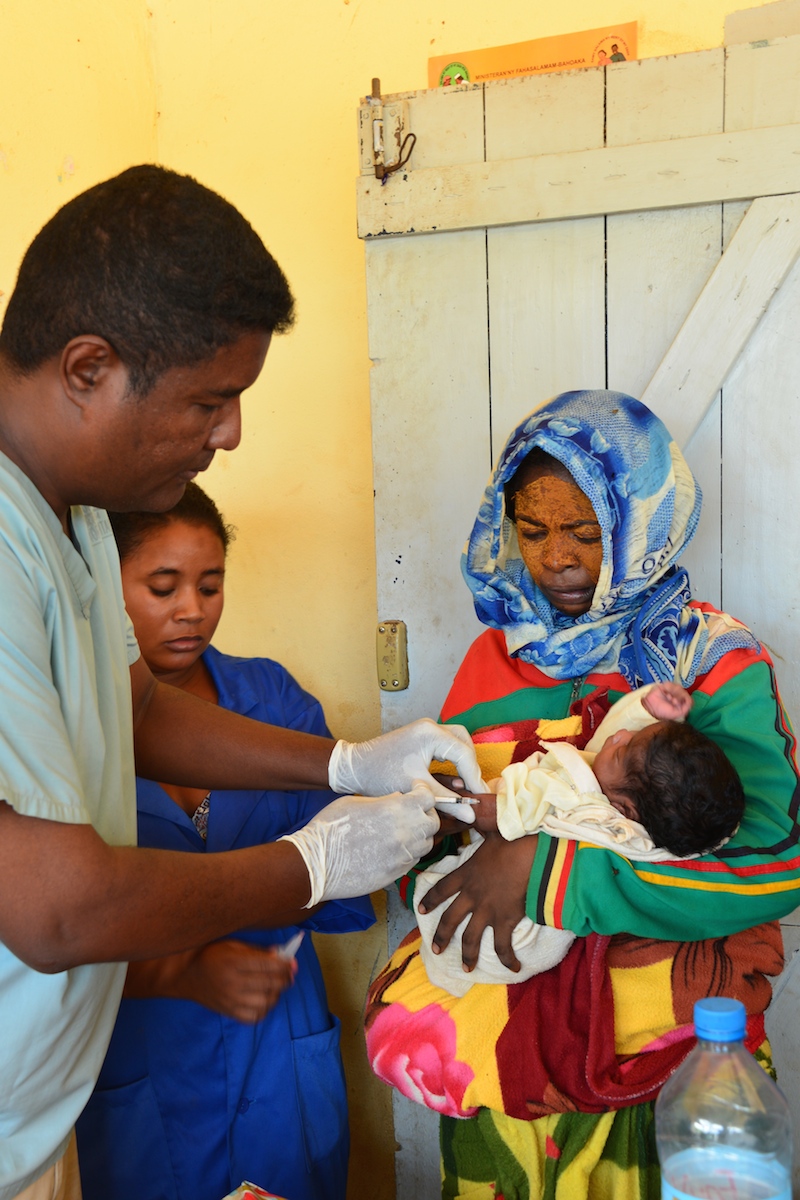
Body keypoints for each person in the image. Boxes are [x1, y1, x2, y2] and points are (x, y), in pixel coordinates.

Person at [0, 165, 483, 1200]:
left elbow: (129, 709)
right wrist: (310, 863)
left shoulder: (74, 507)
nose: (228, 436)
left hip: (39, 1117)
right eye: (209, 400)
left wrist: (347, 761)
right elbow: (58, 912)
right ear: (88, 368)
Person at [366, 391, 799, 1198]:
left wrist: (541, 870)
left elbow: (770, 869)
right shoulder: (491, 663)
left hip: (673, 1062)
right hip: (495, 1064)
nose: (557, 558)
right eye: (532, 531)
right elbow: (443, 836)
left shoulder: (713, 665)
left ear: (642, 523)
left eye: (586, 531)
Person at [75, 482, 373, 1200]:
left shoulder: (270, 701)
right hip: (142, 1055)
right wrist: (180, 966)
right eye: (161, 586)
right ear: (96, 587)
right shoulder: (73, 729)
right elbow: (57, 928)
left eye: (210, 587)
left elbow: (345, 869)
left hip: (278, 1039)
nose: (191, 611)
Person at [413, 680, 745, 996]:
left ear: (623, 810)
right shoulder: (636, 799)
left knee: (442, 899)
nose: (620, 735)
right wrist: (648, 710)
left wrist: (481, 807)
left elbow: (520, 805)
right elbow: (611, 745)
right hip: (516, 899)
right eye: (635, 732)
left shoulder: (590, 805)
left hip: (523, 928)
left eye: (623, 749)